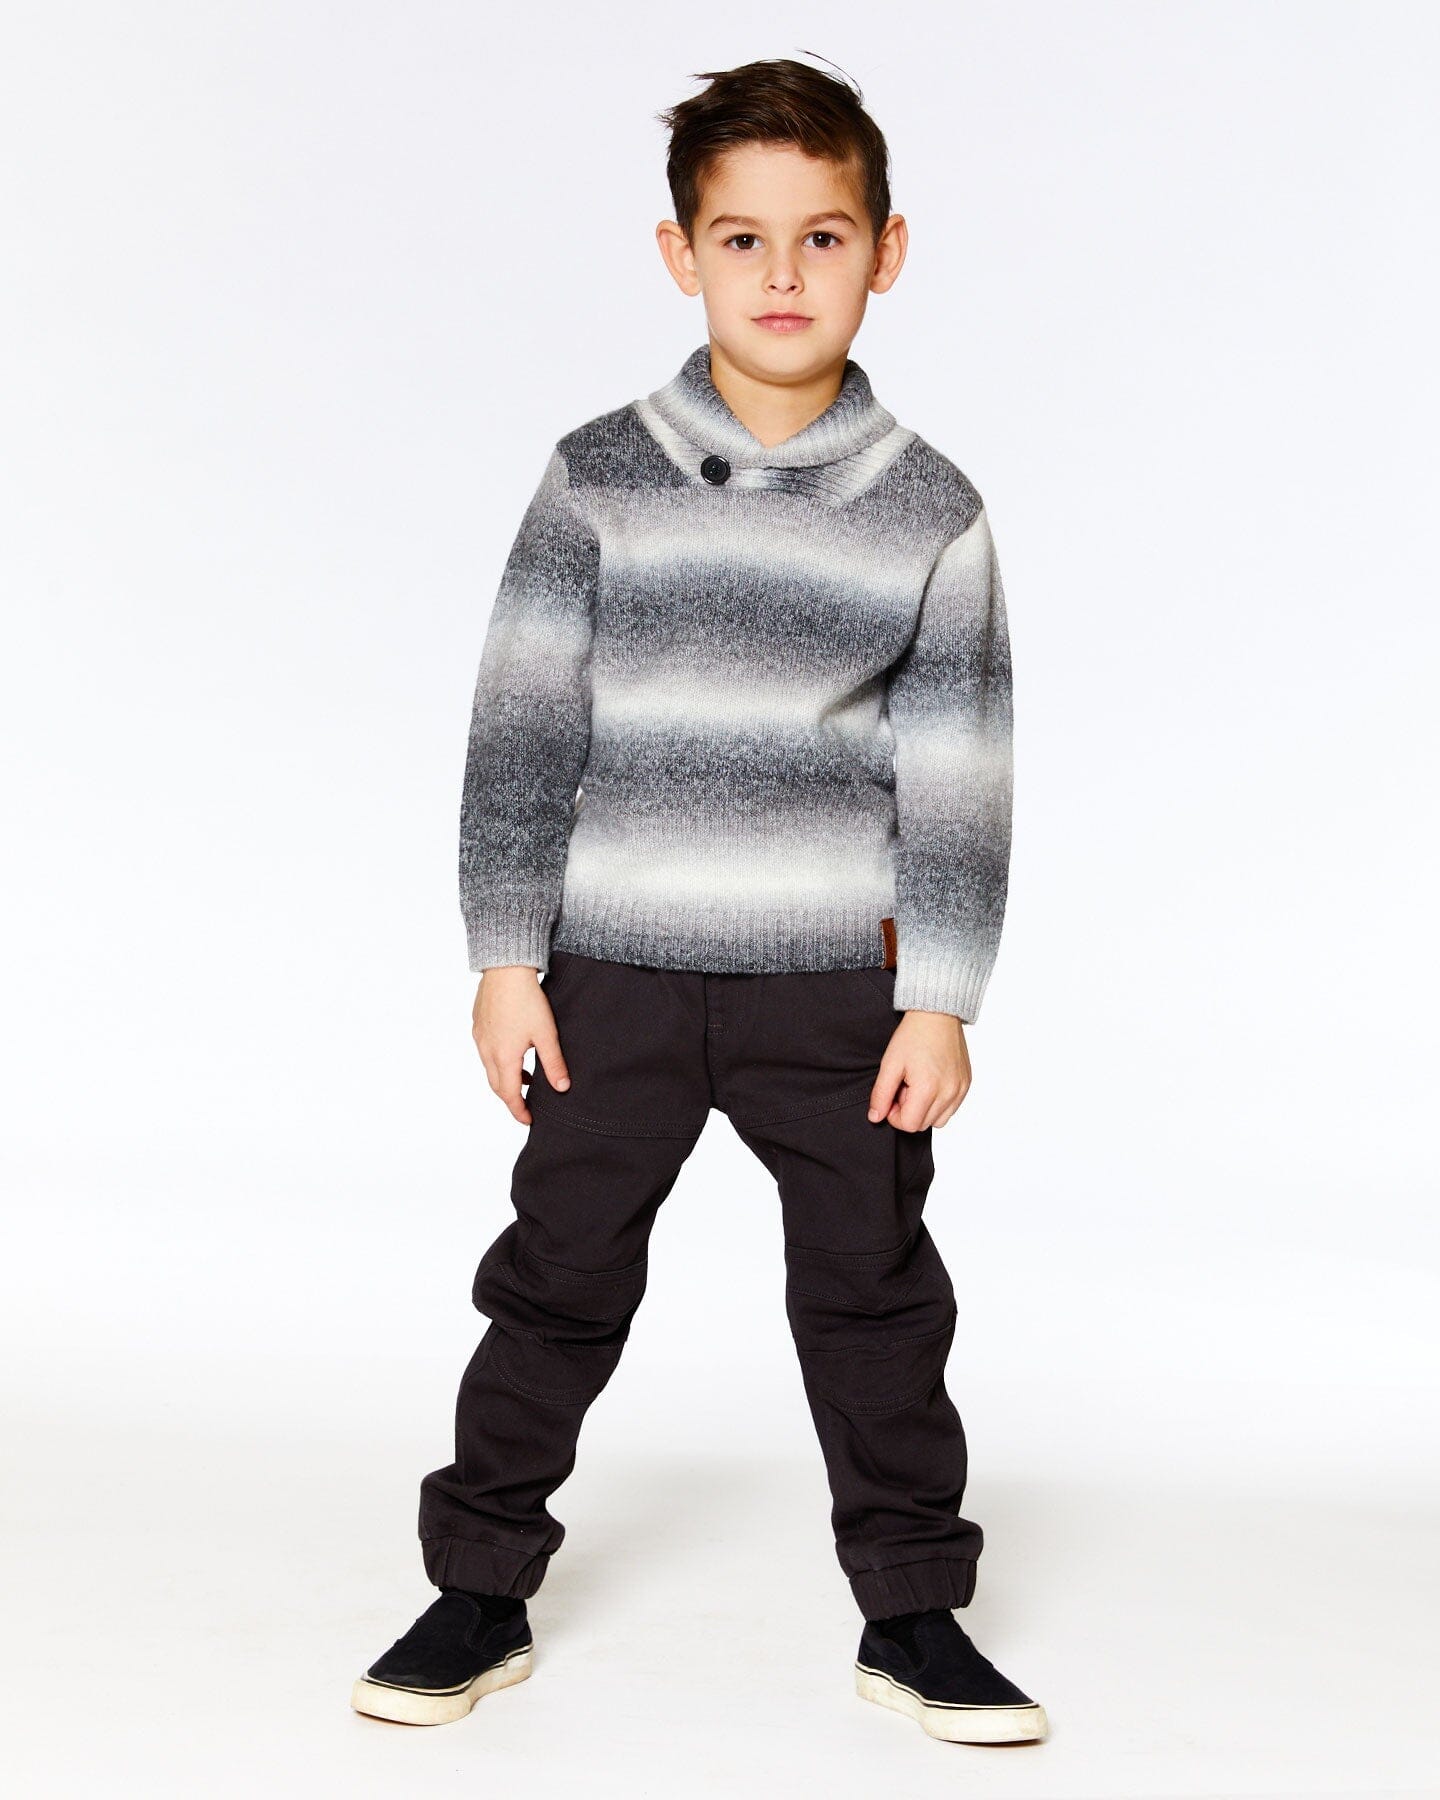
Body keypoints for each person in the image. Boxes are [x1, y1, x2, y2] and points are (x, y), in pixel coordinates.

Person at [350, 55, 1047, 1747]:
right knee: (558, 1274)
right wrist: (505, 957)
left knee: (875, 1294)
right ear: (682, 255)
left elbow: (958, 770)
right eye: (744, 239)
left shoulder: (934, 511)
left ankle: (914, 1613)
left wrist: (942, 993)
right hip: (616, 975)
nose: (783, 274)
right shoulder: (596, 476)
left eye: (824, 237)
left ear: (887, 250)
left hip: (837, 989)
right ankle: (479, 1588)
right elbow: (524, 730)